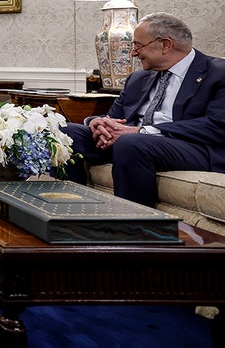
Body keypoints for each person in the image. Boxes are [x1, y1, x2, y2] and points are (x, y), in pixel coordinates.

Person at [62, 12, 225, 207]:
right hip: (133, 142)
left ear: (165, 45)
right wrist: (97, 123)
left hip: (192, 147)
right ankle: (71, 211)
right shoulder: (137, 79)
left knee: (131, 142)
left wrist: (141, 131)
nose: (133, 53)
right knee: (66, 133)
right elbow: (115, 118)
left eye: (138, 45)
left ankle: (134, 228)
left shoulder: (218, 73)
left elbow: (217, 125)